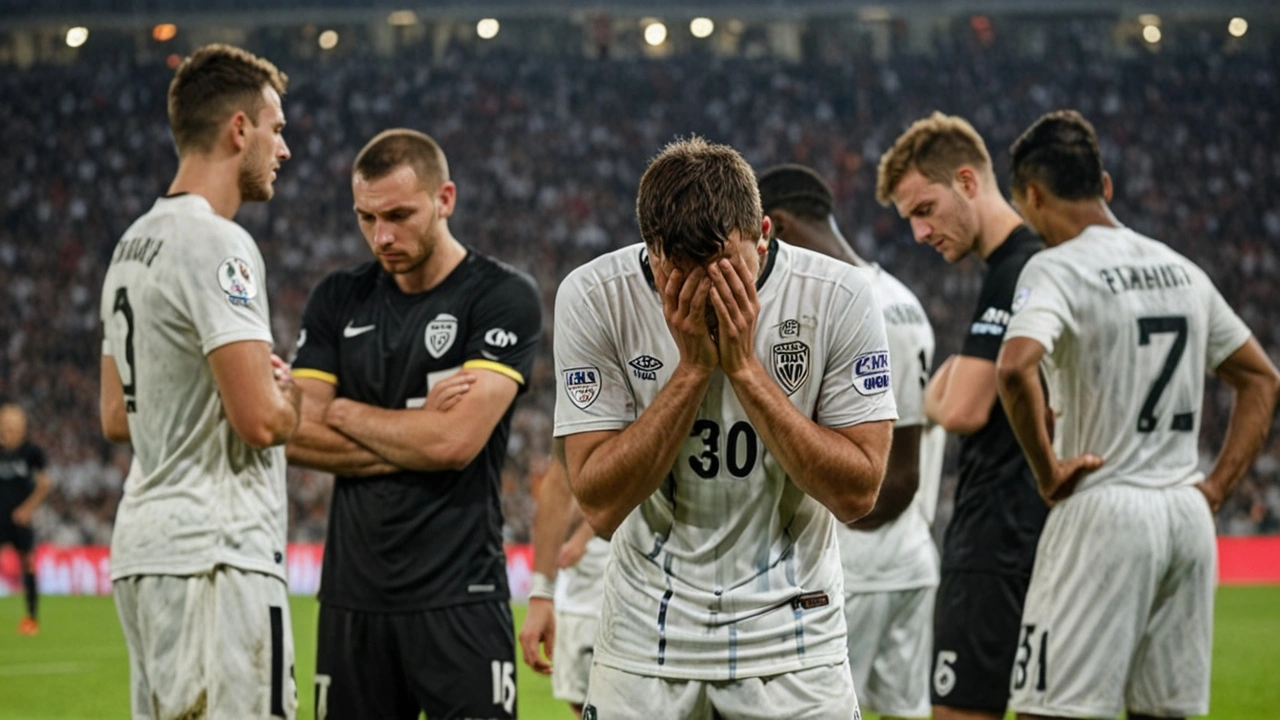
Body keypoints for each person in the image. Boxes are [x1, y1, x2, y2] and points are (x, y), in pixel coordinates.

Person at [554, 137, 896, 719]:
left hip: (795, 640)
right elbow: (600, 505)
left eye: (724, 271)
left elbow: (858, 493)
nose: (704, 295)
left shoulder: (839, 297)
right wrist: (690, 372)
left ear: (763, 235)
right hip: (645, 639)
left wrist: (743, 369)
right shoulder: (594, 296)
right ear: (651, 251)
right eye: (679, 276)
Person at [996, 109, 1280, 720]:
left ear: (1033, 196)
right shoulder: (1182, 270)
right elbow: (1261, 378)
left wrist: (1047, 472)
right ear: (1105, 186)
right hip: (1186, 514)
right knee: (1164, 711)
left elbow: (1015, 367)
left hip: (1105, 507)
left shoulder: (1054, 267)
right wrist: (1216, 487)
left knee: (1055, 708)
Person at [286, 128, 542, 720]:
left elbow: (455, 442)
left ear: (445, 199)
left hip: (461, 597)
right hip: (354, 600)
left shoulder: (501, 296)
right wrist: (414, 431)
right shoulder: (338, 297)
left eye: (399, 215)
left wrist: (343, 411)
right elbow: (294, 431)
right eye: (366, 217)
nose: (382, 235)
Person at [98, 44, 300, 719]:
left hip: (145, 551)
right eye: (276, 129)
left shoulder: (130, 246)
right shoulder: (219, 243)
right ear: (238, 129)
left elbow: (116, 416)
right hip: (219, 555)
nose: (284, 148)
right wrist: (287, 394)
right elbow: (263, 422)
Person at [875, 112, 1049, 720]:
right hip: (1042, 534)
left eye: (925, 208)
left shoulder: (1013, 271)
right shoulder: (1044, 260)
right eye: (910, 220)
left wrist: (944, 386)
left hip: (993, 538)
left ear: (969, 181)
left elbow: (962, 407)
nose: (920, 232)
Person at [759, 164, 944, 720]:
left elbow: (897, 475)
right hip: (910, 561)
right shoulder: (900, 296)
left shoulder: (850, 303)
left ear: (778, 227)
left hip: (856, 568)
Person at [517, 449, 609, 719]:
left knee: (602, 694)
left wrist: (581, 539)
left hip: (599, 578)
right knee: (576, 694)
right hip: (572, 587)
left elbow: (623, 491)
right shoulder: (567, 463)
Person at [0, 404, 52, 636]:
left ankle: (31, 618)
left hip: (20, 520)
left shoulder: (31, 453)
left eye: (13, 426)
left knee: (28, 563)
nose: (8, 431)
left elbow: (44, 484)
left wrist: (27, 509)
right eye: (5, 426)